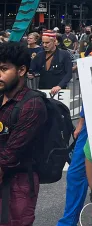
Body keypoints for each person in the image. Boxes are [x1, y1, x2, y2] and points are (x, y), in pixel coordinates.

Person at [59, 18, 92, 226]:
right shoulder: (89, 57)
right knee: (75, 174)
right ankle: (68, 221)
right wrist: (80, 123)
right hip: (91, 122)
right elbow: (88, 95)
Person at [0, 42, 47, 225]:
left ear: (21, 70)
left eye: (4, 69)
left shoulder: (32, 105)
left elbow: (9, 154)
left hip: (18, 184)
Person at [29, 31, 73, 95]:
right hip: (43, 91)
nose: (44, 45)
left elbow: (69, 73)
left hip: (59, 92)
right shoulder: (39, 55)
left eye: (47, 43)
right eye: (43, 43)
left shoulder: (64, 54)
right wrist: (30, 74)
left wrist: (59, 86)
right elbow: (32, 69)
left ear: (54, 42)